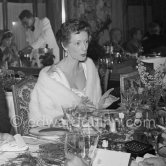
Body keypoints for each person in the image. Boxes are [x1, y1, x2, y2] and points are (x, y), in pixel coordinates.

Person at [29, 19, 118, 126]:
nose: (84, 47)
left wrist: (100, 104)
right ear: (64, 45)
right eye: (77, 43)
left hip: (90, 133)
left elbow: (93, 111)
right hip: (59, 138)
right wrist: (76, 113)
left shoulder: (89, 68)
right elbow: (42, 120)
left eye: (86, 41)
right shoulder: (51, 77)